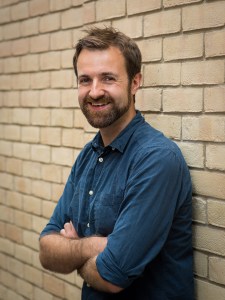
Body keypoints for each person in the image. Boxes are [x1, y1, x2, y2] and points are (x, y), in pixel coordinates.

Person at [39, 26, 194, 300]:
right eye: (85, 80)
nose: (95, 91)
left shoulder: (156, 159)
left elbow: (113, 276)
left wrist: (74, 248)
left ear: (135, 83)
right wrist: (95, 247)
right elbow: (47, 251)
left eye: (108, 78)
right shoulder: (89, 155)